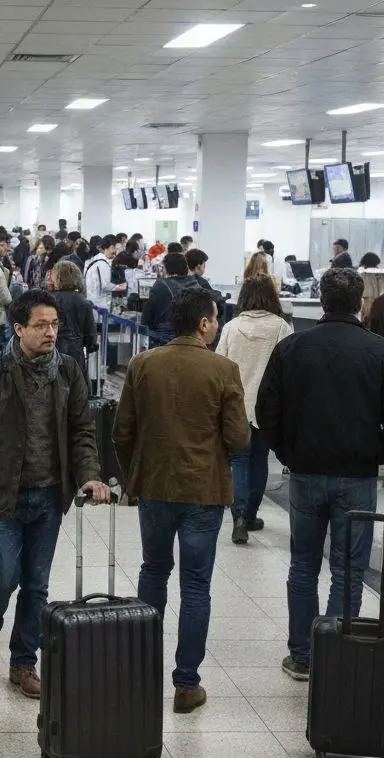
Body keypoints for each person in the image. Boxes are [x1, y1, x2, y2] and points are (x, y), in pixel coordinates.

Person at [0, 289, 109, 699]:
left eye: (54, 324)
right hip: (0, 493)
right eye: (41, 325)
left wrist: (90, 476)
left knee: (37, 585)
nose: (50, 332)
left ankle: (23, 662)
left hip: (48, 496)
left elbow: (82, 431)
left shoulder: (68, 371)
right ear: (18, 328)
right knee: (2, 579)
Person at [113, 287, 249, 713]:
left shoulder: (142, 363)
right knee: (195, 585)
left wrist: (134, 474)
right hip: (203, 491)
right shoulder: (224, 369)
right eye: (216, 318)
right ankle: (187, 684)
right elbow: (238, 438)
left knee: (153, 570)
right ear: (204, 323)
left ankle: (142, 671)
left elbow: (121, 431)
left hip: (155, 486)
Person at [256, 267, 384, 681]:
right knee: (348, 571)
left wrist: (286, 450)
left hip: (306, 473)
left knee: (303, 566)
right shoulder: (378, 351)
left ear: (323, 301)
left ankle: (302, 655)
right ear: (359, 303)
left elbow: (266, 409)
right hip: (358, 476)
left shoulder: (292, 347)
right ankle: (336, 657)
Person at [214, 274, 294, 545]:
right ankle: (250, 516)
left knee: (238, 461)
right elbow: (288, 369)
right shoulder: (281, 327)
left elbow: (219, 366)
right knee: (260, 460)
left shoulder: (231, 327)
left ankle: (237, 516)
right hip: (266, 409)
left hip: (235, 405)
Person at [50, 260, 97, 378]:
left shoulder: (49, 300)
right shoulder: (84, 302)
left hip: (51, 351)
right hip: (76, 354)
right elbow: (90, 336)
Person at [142, 251, 201, 346]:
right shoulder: (196, 285)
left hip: (164, 339)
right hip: (192, 339)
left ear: (166, 269)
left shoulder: (161, 285)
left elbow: (147, 317)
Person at [84, 234, 126, 311]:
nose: (115, 252)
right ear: (106, 248)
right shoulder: (103, 263)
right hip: (100, 303)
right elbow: (105, 285)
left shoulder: (93, 259)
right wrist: (120, 287)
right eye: (113, 248)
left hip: (91, 301)